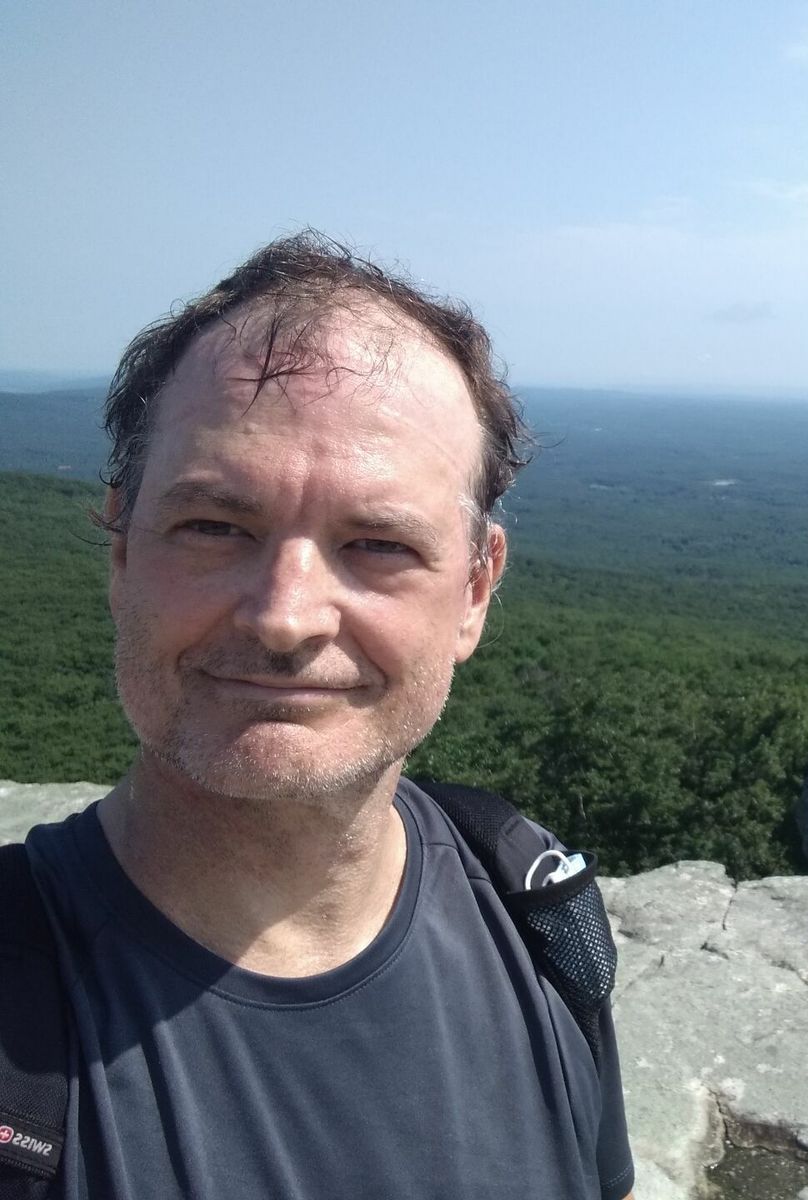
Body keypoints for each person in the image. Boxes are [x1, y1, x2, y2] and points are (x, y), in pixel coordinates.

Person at [14, 233, 634, 1199]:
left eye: (378, 544)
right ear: (122, 552)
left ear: (476, 592)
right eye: (214, 526)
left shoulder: (541, 921)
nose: (286, 617)